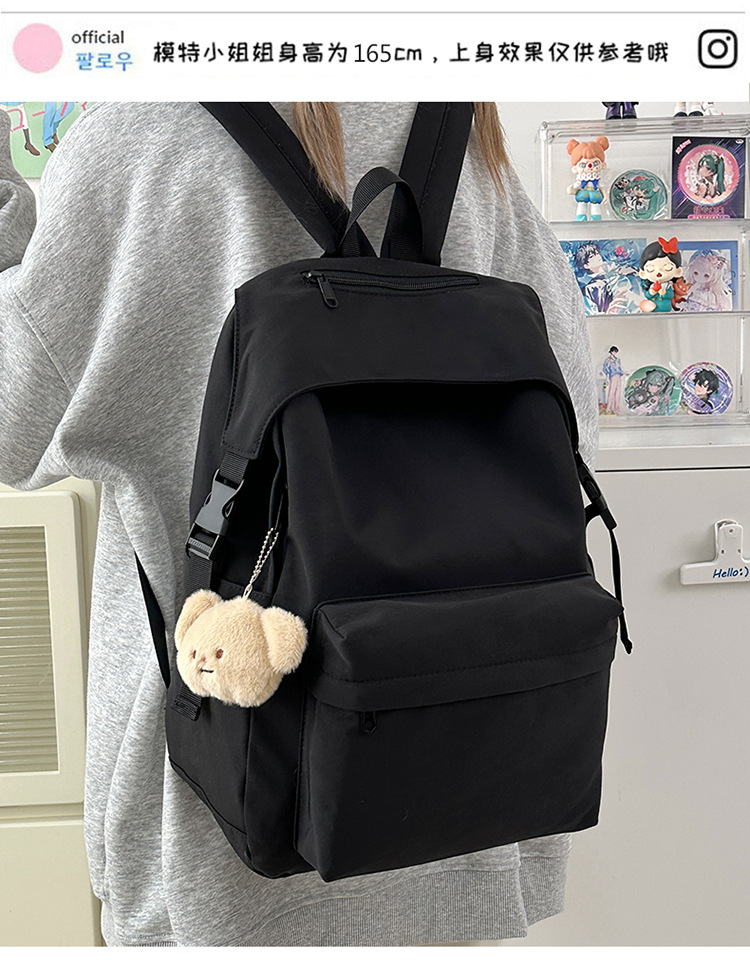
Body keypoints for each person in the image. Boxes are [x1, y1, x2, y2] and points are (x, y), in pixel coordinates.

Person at [0, 102, 597, 947]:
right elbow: (573, 423)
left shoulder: (139, 139)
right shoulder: (469, 143)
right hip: (468, 804)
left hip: (227, 843)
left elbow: (12, 423)